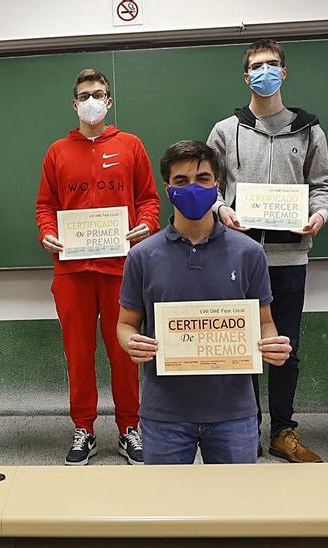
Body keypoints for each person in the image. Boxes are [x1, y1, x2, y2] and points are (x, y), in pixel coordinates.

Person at [117, 140, 293, 464]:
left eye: (203, 179)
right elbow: (125, 324)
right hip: (164, 413)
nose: (192, 188)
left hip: (234, 413)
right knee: (166, 507)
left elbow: (265, 322)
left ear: (218, 185)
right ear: (168, 188)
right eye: (181, 181)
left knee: (236, 508)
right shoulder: (142, 256)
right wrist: (132, 343)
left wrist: (271, 344)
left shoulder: (249, 253)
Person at [206, 39, 328, 463]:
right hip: (237, 256)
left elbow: (323, 188)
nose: (265, 71)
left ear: (284, 72)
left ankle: (283, 430)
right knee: (241, 346)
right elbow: (209, 189)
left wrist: (319, 216)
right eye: (257, 66)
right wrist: (222, 210)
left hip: (290, 256)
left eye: (272, 64)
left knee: (284, 347)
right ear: (246, 76)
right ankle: (245, 427)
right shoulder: (225, 130)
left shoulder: (309, 128)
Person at [35, 68, 160, 465]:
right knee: (78, 352)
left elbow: (149, 199)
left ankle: (129, 428)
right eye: (85, 94)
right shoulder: (57, 151)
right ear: (75, 103)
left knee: (124, 351)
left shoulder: (131, 145)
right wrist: (47, 232)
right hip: (71, 270)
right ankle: (84, 428)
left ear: (109, 102)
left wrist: (148, 224)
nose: (92, 100)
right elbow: (45, 206)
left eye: (99, 93)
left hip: (121, 267)